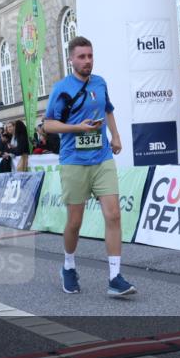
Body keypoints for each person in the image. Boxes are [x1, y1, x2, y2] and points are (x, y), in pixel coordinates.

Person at [43, 36, 135, 298]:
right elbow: (48, 125)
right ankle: (69, 266)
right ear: (70, 59)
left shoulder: (100, 82)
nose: (87, 61)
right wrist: (77, 128)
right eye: (81, 57)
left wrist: (115, 136)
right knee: (75, 222)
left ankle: (115, 277)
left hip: (102, 157)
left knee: (114, 214)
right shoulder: (62, 88)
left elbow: (108, 110)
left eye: (90, 56)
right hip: (74, 161)